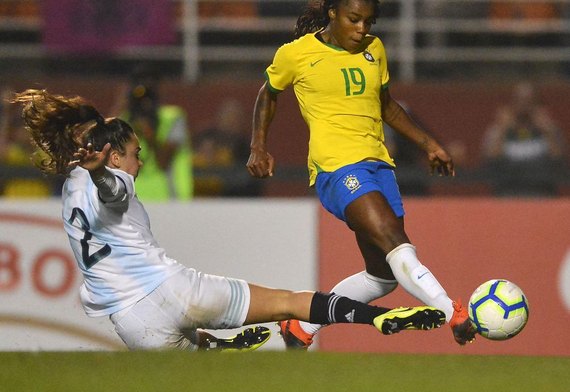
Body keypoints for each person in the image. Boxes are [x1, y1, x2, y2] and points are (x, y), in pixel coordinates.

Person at [12, 88, 447, 351]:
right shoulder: (113, 179)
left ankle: (215, 343)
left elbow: (96, 186)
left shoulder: (70, 185)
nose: (140, 161)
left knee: (196, 373)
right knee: (288, 302)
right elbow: (112, 192)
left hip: (130, 322)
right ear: (112, 155)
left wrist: (88, 161)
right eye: (135, 153)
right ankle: (378, 318)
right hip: (173, 290)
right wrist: (103, 172)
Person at [247, 0, 476, 349]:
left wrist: (429, 144)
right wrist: (258, 146)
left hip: (379, 166)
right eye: (354, 20)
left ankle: (302, 328)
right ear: (333, 13)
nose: (361, 29)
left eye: (368, 22)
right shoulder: (297, 54)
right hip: (337, 167)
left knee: (382, 276)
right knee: (393, 241)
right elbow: (269, 93)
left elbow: (386, 105)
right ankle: (450, 311)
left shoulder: (375, 49)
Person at [119, 66, 193, 201]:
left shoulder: (173, 118)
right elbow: (105, 151)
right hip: (132, 200)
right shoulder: (125, 120)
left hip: (167, 198)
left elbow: (163, 162)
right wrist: (121, 104)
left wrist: (150, 136)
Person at [481, 81, 566, 196]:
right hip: (506, 193)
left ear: (538, 104)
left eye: (529, 101)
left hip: (542, 193)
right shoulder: (498, 129)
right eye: (520, 100)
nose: (524, 105)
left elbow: (559, 159)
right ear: (512, 103)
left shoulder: (550, 129)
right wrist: (502, 129)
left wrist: (547, 130)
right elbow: (490, 159)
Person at [193, 98, 262, 197]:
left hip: (233, 199)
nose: (232, 122)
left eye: (236, 119)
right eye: (228, 118)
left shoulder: (247, 149)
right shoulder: (207, 138)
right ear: (219, 118)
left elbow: (249, 181)